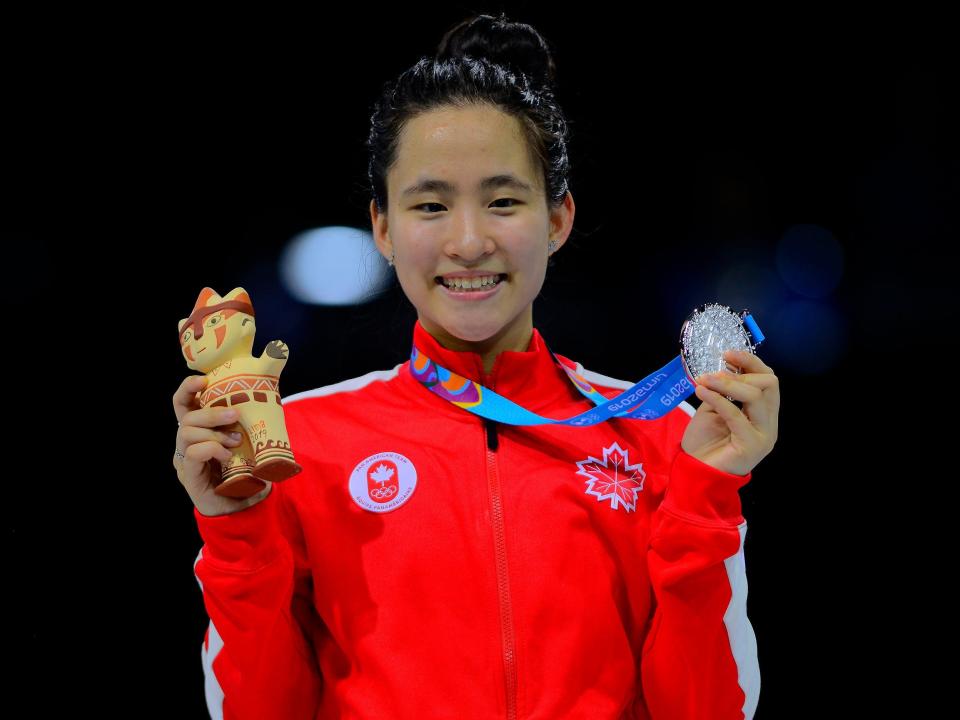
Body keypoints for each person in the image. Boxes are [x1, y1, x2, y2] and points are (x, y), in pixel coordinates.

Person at [173, 12, 779, 720]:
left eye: (502, 201)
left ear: (558, 219)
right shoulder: (299, 444)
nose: (468, 241)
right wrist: (237, 530)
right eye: (430, 205)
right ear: (383, 227)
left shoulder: (660, 438)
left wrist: (707, 495)